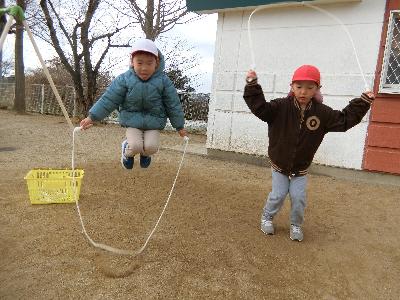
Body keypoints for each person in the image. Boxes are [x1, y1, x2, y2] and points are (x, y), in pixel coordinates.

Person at [243, 65, 375, 242]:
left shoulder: (322, 113)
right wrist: (252, 86)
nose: (303, 92)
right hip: (279, 164)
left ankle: (295, 225)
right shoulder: (279, 107)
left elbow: (344, 120)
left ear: (317, 89)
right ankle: (267, 217)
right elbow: (260, 108)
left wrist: (364, 102)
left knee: (298, 198)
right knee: (278, 194)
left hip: (301, 168)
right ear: (292, 87)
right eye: (299, 87)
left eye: (310, 87)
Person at [80, 38, 187, 169]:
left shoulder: (164, 81)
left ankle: (145, 154)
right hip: (132, 121)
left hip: (153, 122)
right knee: (135, 145)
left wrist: (179, 126)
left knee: (151, 147)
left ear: (157, 63)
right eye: (139, 63)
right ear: (132, 62)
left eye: (149, 63)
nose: (144, 68)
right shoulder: (124, 79)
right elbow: (109, 99)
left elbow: (173, 104)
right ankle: (127, 152)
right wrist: (92, 117)